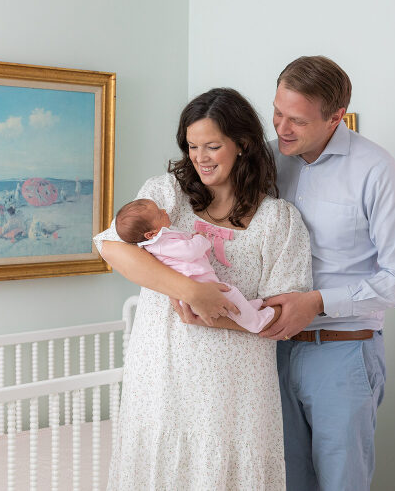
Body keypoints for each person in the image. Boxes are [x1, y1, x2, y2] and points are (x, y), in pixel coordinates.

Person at [95, 87, 312, 490]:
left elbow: (287, 316)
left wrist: (216, 317)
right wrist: (192, 292)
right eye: (192, 146)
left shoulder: (278, 221)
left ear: (243, 145)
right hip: (161, 381)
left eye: (212, 146)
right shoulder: (166, 196)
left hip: (235, 395)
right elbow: (111, 247)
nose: (200, 157)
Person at [259, 55, 395, 490]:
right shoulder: (268, 162)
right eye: (277, 112)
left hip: (343, 355)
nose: (281, 128)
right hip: (270, 354)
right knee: (281, 482)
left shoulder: (378, 172)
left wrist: (316, 302)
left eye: (297, 120)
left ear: (336, 117)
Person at [114, 198, 277, 333]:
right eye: (159, 213)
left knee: (230, 296)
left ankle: (248, 309)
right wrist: (200, 238)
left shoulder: (161, 240)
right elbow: (190, 252)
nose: (164, 211)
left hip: (199, 282)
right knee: (230, 293)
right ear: (151, 234)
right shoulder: (160, 243)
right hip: (198, 287)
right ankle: (256, 322)